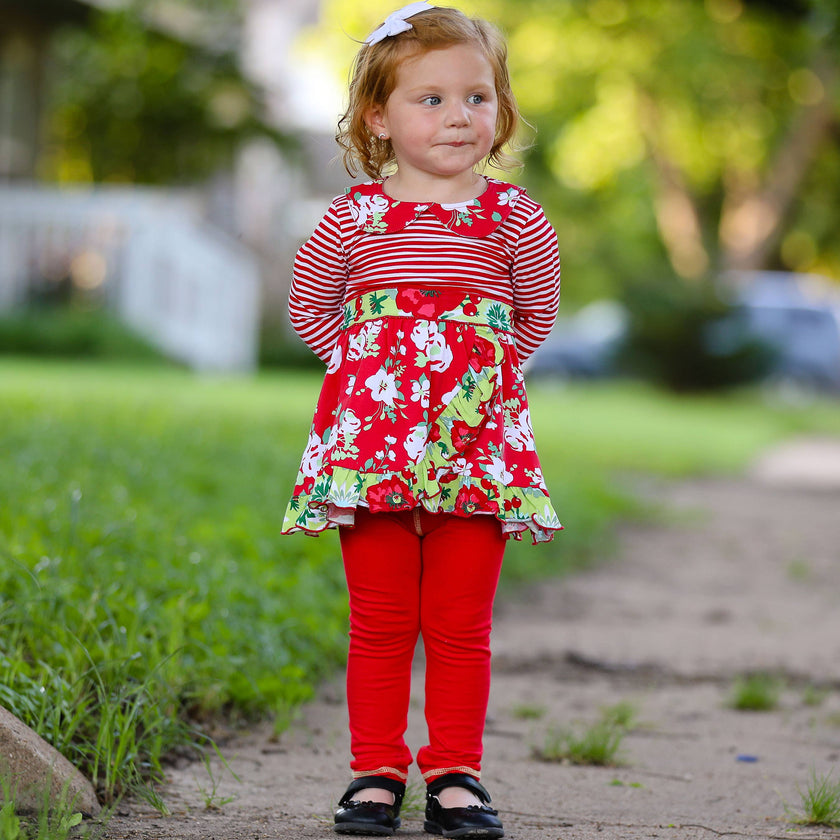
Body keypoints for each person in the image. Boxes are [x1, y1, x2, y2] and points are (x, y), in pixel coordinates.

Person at [281, 2, 561, 836]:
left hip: (477, 451)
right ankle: (375, 770)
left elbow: (535, 316)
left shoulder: (515, 218)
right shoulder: (353, 218)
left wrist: (480, 385)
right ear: (379, 116)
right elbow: (309, 308)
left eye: (477, 97)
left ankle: (454, 774)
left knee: (460, 624)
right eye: (430, 99)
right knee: (380, 621)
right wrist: (368, 376)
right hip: (372, 450)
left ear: (500, 110)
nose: (458, 116)